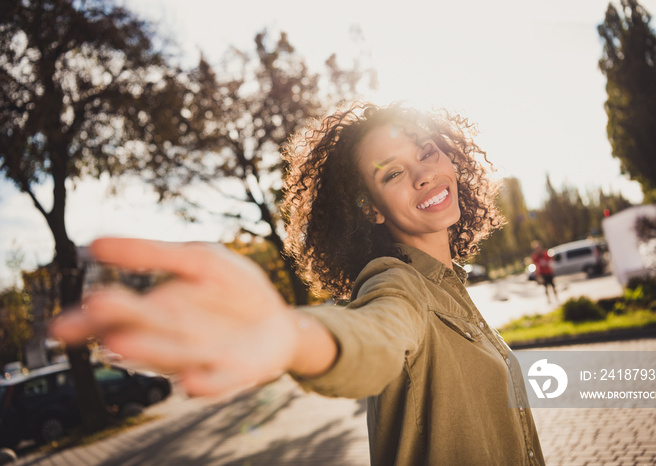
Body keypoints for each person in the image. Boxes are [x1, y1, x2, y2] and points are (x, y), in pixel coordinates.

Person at [50, 103, 545, 465]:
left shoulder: (449, 285)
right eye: (393, 173)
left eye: (427, 152)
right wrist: (291, 336)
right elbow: (373, 333)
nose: (422, 174)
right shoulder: (398, 286)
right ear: (371, 208)